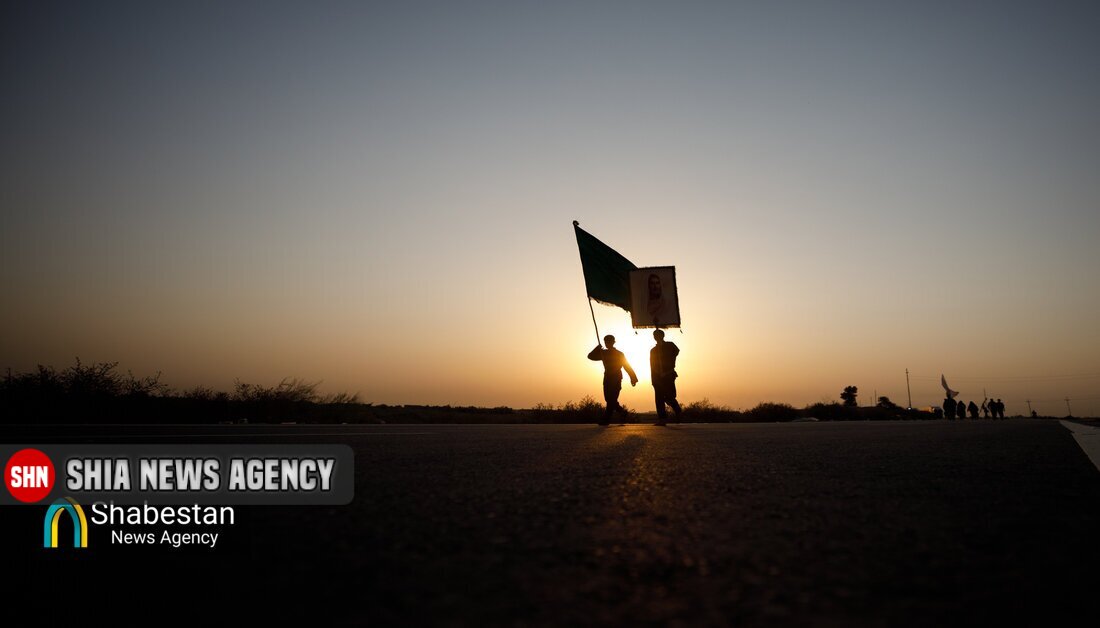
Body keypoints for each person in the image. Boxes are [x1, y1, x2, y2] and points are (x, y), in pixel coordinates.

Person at [587, 335, 638, 425]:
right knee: (609, 399)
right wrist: (597, 348)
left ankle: (606, 419)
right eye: (606, 341)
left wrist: (633, 377)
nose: (607, 343)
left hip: (616, 378)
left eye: (609, 341)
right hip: (607, 378)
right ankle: (622, 412)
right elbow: (590, 356)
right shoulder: (604, 353)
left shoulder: (619, 354)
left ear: (613, 342)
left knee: (611, 399)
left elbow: (626, 366)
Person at [649, 329, 682, 426]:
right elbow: (652, 365)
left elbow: (676, 352)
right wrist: (655, 376)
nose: (656, 337)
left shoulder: (670, 345)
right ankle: (662, 418)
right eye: (654, 335)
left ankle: (677, 410)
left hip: (668, 374)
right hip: (657, 377)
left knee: (669, 396)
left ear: (662, 336)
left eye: (658, 335)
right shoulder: (653, 350)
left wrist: (664, 350)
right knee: (659, 398)